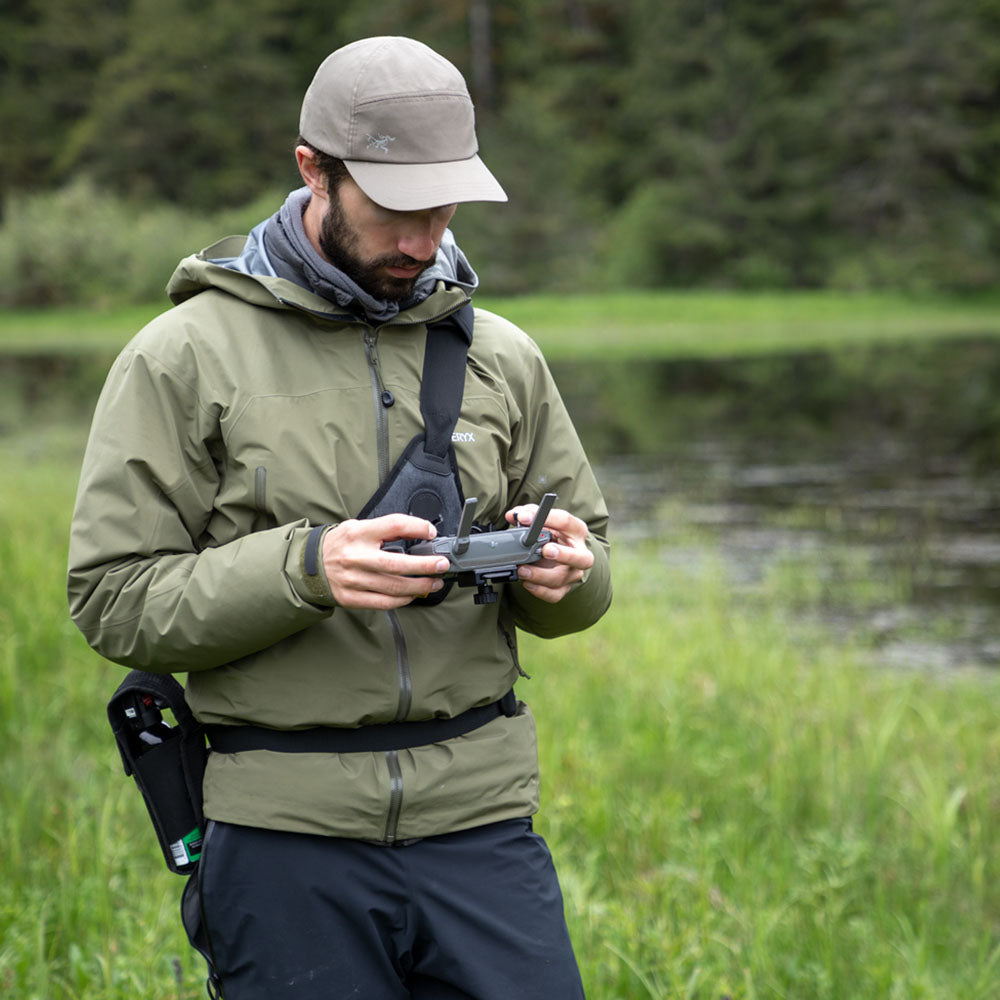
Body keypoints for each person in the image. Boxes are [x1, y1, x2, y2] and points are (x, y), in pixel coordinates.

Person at [68, 35, 611, 1000]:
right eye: (396, 209)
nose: (422, 240)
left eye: (442, 209)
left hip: (485, 834)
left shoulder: (507, 356)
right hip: (283, 847)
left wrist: (565, 572)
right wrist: (307, 571)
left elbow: (589, 572)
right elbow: (112, 598)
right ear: (314, 169)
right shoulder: (179, 355)